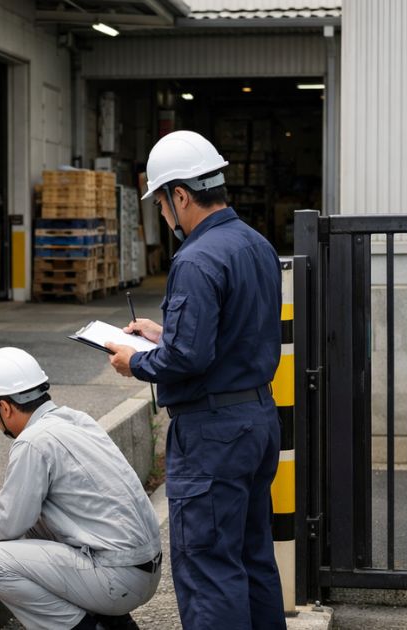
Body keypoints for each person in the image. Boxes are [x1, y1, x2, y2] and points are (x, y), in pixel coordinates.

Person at [104, 129, 285, 629]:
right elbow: (235, 333)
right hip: (257, 421)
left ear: (180, 195)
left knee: (208, 567)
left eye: (161, 204)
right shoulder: (257, 245)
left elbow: (186, 358)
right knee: (253, 560)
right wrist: (166, 332)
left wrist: (134, 361)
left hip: (212, 435)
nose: (163, 215)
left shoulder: (197, 258)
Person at [0, 347, 161, 630]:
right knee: (31, 524)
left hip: (118, 577)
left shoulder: (31, 441)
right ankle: (116, 623)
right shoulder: (76, 420)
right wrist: (0, 507)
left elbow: (9, 524)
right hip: (145, 567)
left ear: (4, 407)